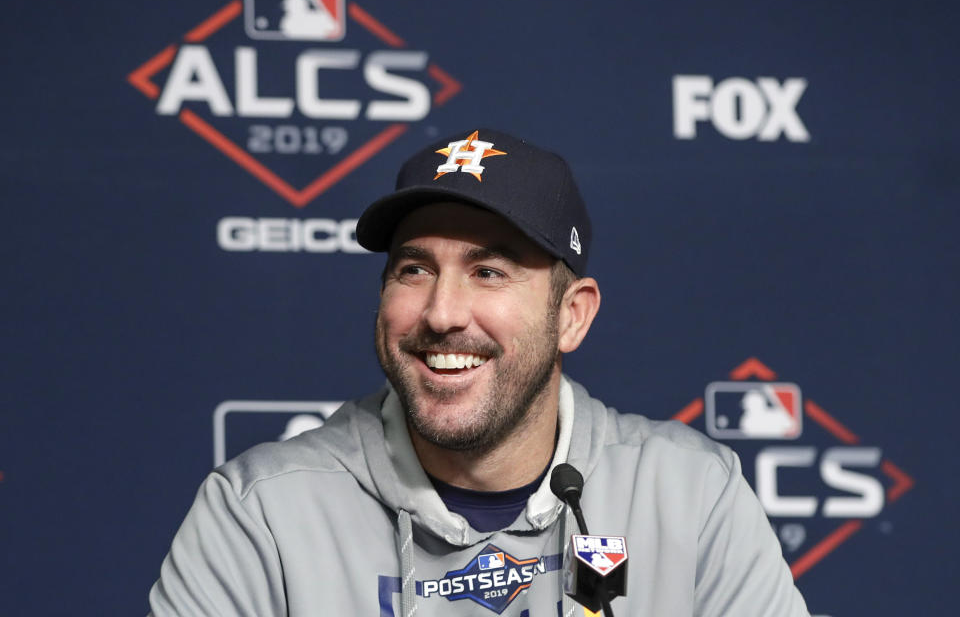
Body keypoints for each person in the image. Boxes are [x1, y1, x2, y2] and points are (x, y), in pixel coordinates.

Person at [148, 129, 810, 616]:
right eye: (415, 269)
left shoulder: (690, 496)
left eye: (489, 272)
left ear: (571, 317)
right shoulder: (262, 513)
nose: (441, 313)